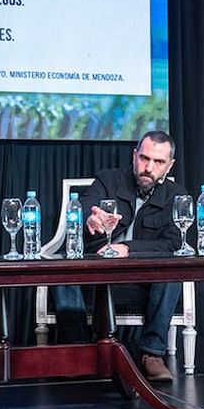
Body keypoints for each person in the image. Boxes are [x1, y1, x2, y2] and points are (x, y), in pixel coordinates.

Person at [52, 130, 188, 382]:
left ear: (169, 165)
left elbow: (173, 242)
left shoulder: (176, 196)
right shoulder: (108, 180)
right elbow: (85, 205)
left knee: (172, 271)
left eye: (158, 162)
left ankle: (152, 354)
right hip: (97, 274)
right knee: (62, 269)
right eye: (144, 158)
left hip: (141, 280)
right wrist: (89, 217)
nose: (148, 167)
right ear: (134, 155)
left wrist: (129, 249)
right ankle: (79, 352)